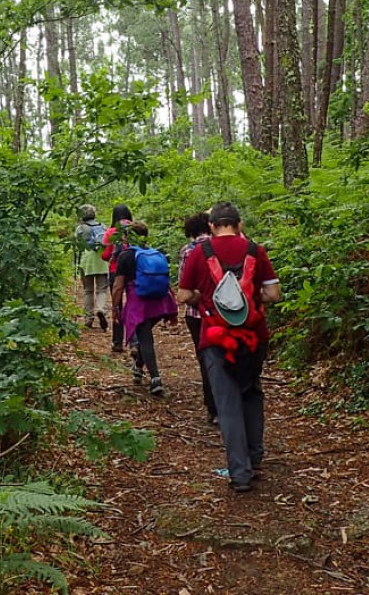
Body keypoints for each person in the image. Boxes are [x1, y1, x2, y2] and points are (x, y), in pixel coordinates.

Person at [177, 202, 281, 493]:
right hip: (253, 336)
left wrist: (204, 297)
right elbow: (274, 293)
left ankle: (240, 474)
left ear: (211, 226)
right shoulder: (255, 251)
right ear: (239, 224)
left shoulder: (200, 252)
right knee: (251, 392)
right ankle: (256, 457)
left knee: (228, 404)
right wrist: (250, 298)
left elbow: (183, 294)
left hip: (216, 337)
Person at [111, 220, 178, 396]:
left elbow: (118, 286)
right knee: (144, 336)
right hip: (160, 302)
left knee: (145, 339)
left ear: (127, 237)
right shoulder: (155, 253)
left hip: (139, 303)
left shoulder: (126, 256)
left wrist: (115, 308)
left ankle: (156, 380)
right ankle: (138, 367)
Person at [179, 212, 218, 424]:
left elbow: (184, 288)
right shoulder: (221, 247)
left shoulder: (187, 251)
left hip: (195, 313)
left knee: (205, 358)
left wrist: (199, 298)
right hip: (222, 312)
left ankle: (212, 407)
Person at [101, 204, 133, 352]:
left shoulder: (110, 233)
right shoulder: (135, 229)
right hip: (134, 271)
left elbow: (105, 255)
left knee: (117, 304)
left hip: (115, 271)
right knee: (134, 304)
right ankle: (135, 341)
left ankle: (118, 342)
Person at [74, 204, 109, 330]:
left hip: (86, 260)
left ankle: (88, 318)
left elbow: (77, 245)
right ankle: (100, 309)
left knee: (88, 290)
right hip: (101, 259)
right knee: (102, 289)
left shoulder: (80, 229)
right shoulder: (103, 226)